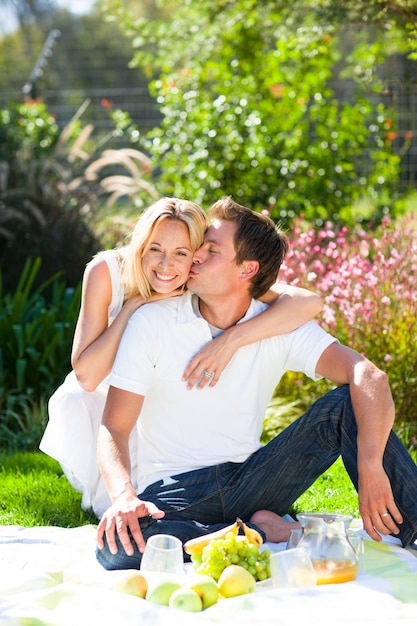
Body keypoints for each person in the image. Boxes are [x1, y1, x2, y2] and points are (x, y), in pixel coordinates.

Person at [95, 195, 417, 571]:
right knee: (116, 549)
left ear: (246, 269)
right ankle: (257, 531)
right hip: (177, 491)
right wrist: (122, 496)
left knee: (344, 405)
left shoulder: (275, 325)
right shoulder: (152, 321)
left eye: (210, 250)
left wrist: (371, 462)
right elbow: (113, 426)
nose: (194, 256)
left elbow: (369, 375)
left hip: (255, 480)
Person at [39, 197, 322, 518]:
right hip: (104, 398)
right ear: (142, 244)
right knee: (117, 501)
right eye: (155, 249)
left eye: (181, 253)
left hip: (159, 401)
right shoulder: (107, 271)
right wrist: (133, 306)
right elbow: (87, 376)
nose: (165, 265)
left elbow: (308, 302)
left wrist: (232, 339)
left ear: (195, 253)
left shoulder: (191, 276)